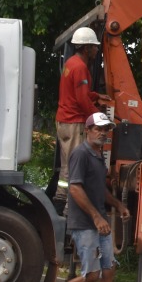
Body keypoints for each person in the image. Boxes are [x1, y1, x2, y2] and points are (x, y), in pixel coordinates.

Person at [35, 112, 131, 282]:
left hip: (99, 221)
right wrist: (96, 218)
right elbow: (75, 188)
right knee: (92, 274)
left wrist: (118, 204)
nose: (103, 133)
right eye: (98, 129)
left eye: (106, 129)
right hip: (85, 223)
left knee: (108, 270)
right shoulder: (81, 154)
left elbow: (99, 190)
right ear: (87, 130)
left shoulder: (97, 156)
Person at [55, 27, 107, 198]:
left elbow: (77, 92)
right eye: (94, 46)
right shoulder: (80, 68)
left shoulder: (70, 63)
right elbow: (82, 100)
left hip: (64, 121)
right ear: (86, 48)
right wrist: (99, 119)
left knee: (67, 165)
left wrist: (96, 95)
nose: (96, 49)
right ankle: (69, 206)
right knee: (75, 166)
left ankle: (62, 199)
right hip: (73, 121)